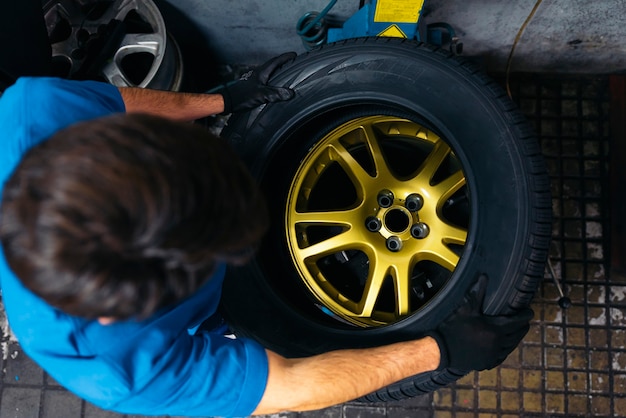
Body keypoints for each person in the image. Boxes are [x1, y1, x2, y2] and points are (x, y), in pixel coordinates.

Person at [0, 52, 534, 417]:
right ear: (117, 311)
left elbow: (116, 104)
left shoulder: (35, 111)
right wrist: (438, 351)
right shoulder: (117, 369)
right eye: (214, 246)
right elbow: (285, 384)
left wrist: (219, 102)